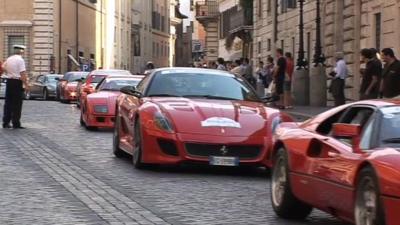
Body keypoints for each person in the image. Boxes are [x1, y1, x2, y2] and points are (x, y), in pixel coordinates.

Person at [2, 45, 29, 129]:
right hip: (17, 82)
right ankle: (16, 123)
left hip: (9, 81)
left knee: (8, 103)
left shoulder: (9, 59)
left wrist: (10, 73)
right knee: (17, 104)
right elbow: (22, 73)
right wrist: (26, 84)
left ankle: (6, 122)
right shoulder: (20, 60)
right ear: (21, 51)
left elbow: (3, 67)